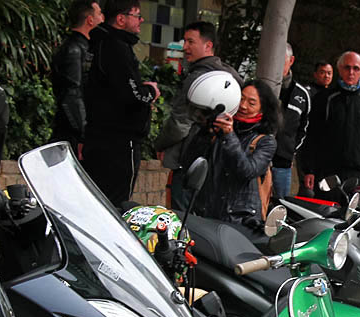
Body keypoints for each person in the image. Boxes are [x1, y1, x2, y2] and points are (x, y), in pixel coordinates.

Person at [153, 21, 241, 209]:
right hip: (216, 161)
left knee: (181, 218)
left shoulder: (199, 77)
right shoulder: (229, 75)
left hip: (189, 159)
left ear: (208, 45)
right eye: (185, 41)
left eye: (190, 42)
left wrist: (160, 144)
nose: (185, 47)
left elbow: (180, 123)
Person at [83, 0, 160, 207]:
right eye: (137, 15)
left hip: (98, 138)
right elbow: (132, 93)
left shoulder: (98, 44)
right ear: (121, 19)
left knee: (96, 200)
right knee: (116, 204)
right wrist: (151, 91)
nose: (141, 21)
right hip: (118, 143)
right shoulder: (115, 47)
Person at [199, 78, 279, 232]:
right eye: (241, 98)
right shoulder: (219, 128)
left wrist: (229, 136)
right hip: (209, 212)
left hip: (241, 221)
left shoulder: (266, 141)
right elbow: (192, 160)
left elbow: (247, 171)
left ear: (262, 109)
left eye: (251, 103)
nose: (243, 106)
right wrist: (205, 131)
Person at [301, 51, 360, 189]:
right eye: (347, 67)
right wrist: (309, 170)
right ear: (339, 69)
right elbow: (312, 135)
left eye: (356, 68)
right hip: (328, 171)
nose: (351, 72)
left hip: (359, 172)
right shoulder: (324, 98)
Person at [50, 0, 104, 156]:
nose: (103, 19)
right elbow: (72, 96)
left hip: (76, 133)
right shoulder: (73, 50)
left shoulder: (83, 48)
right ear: (90, 20)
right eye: (99, 14)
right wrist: (83, 135)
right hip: (71, 137)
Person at [274, 42, 310, 199]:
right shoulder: (261, 88)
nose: (277, 65)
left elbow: (305, 127)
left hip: (283, 161)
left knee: (281, 204)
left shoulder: (301, 94)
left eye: (281, 60)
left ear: (291, 61)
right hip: (257, 159)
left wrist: (291, 149)